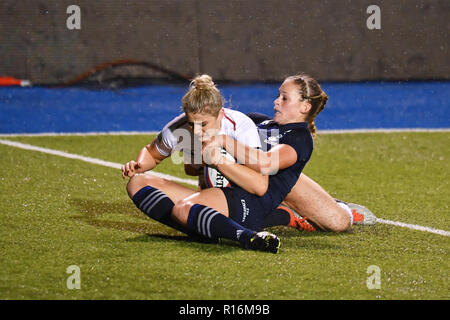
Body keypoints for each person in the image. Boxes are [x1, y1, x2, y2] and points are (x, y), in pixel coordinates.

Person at [122, 74, 375, 251]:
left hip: (270, 182)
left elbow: (266, 165)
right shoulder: (256, 120)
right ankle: (261, 219)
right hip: (242, 186)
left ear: (304, 106)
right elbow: (192, 158)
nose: (276, 101)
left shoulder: (299, 138)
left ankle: (339, 209)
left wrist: (221, 145)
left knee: (337, 222)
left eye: (284, 98)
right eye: (278, 95)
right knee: (152, 191)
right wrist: (196, 158)